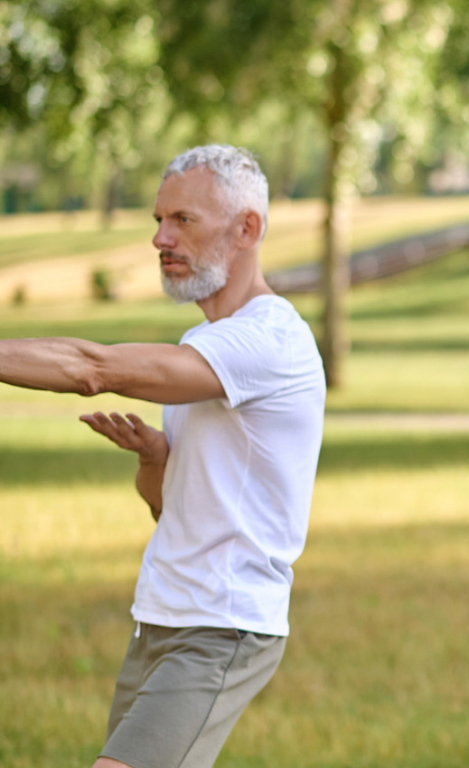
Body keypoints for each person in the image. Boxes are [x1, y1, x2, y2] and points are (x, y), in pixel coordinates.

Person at [0, 145, 326, 768]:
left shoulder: (269, 340)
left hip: (222, 626)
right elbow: (165, 508)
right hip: (162, 617)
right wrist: (154, 459)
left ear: (247, 229)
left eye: (182, 220)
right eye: (157, 219)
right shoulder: (203, 342)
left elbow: (93, 369)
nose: (159, 238)